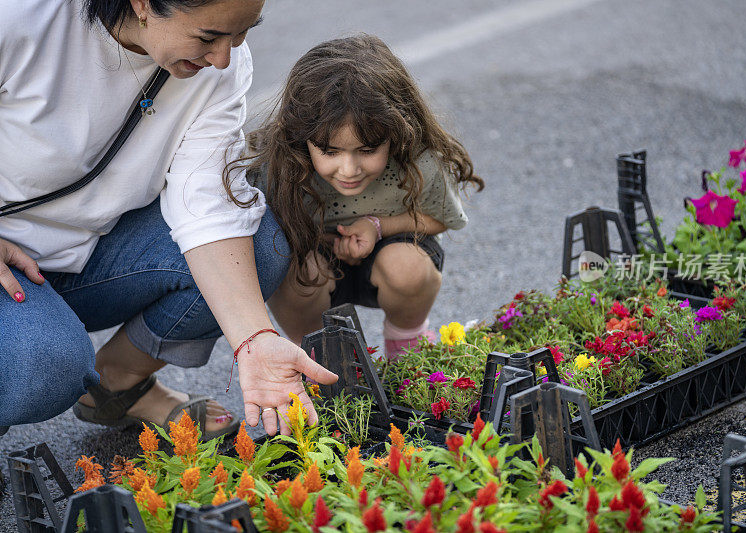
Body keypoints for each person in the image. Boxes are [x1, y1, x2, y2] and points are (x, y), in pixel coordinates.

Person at [0, 0, 336, 439]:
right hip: (9, 264)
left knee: (259, 247)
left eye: (242, 33)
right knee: (43, 365)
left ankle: (116, 385)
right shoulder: (23, 18)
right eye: (208, 37)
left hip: (86, 257)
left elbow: (208, 205)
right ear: (142, 4)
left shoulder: (221, 69)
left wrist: (255, 339)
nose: (223, 58)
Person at [242, 34, 484, 358]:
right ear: (301, 137)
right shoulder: (279, 166)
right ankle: (320, 358)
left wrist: (376, 227)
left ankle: (407, 351)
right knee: (297, 272)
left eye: (367, 150)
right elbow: (266, 232)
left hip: (390, 248)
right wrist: (329, 241)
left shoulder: (418, 158)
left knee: (407, 267)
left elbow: (439, 218)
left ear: (396, 131)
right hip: (315, 256)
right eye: (329, 151)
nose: (349, 169)